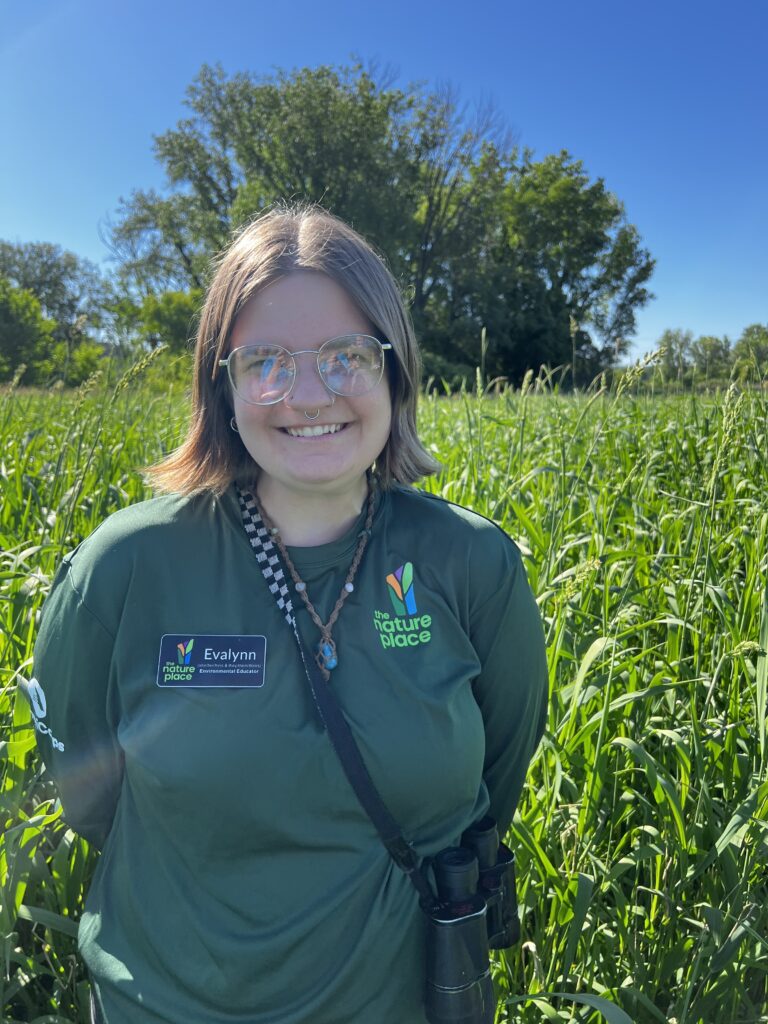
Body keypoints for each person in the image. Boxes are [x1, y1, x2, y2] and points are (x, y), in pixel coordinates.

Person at [27, 204, 549, 1024]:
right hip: (164, 1007)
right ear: (222, 386)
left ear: (394, 372)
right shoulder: (124, 567)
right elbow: (89, 796)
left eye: (346, 356)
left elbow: (494, 780)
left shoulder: (471, 563)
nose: (309, 395)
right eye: (265, 360)